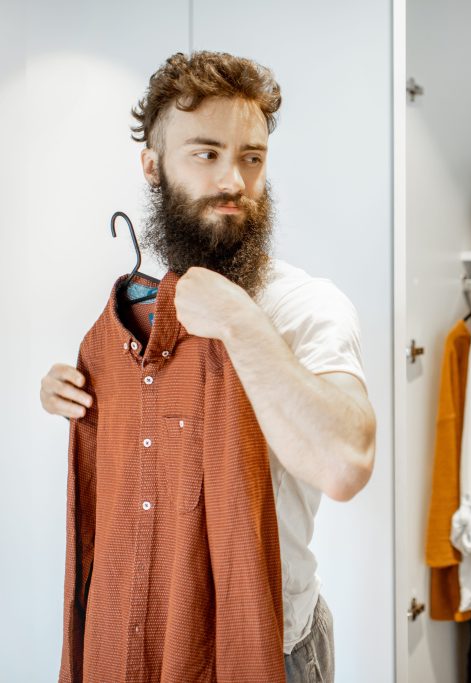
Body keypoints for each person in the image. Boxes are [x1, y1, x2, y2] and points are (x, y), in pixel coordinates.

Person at [39, 50, 376, 681]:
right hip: (143, 643)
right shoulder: (128, 315)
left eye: (252, 157)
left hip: (270, 645)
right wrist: (66, 393)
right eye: (206, 153)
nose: (233, 181)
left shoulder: (306, 306)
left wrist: (241, 322)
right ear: (153, 167)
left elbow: (347, 463)